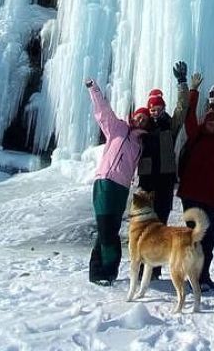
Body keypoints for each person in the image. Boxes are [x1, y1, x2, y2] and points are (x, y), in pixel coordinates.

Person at [85, 77, 149, 286]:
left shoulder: (140, 145)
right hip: (104, 182)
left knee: (109, 229)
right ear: (133, 117)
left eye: (144, 120)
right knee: (105, 227)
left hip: (121, 188)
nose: (141, 121)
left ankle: (101, 272)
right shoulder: (117, 127)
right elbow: (102, 112)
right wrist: (93, 89)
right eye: (139, 117)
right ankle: (104, 270)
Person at [136, 65, 189, 279]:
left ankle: (155, 268)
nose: (155, 111)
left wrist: (182, 83)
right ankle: (141, 266)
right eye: (152, 109)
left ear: (163, 107)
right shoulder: (143, 127)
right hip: (147, 184)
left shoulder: (170, 124)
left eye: (158, 108)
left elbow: (183, 107)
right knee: (144, 226)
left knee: (161, 225)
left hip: (165, 182)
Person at [175, 67, 214, 290]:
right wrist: (193, 90)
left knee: (209, 238)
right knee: (193, 238)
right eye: (210, 122)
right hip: (193, 194)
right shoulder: (196, 135)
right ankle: (191, 276)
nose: (213, 126)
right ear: (205, 123)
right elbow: (189, 115)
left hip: (212, 198)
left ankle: (203, 277)